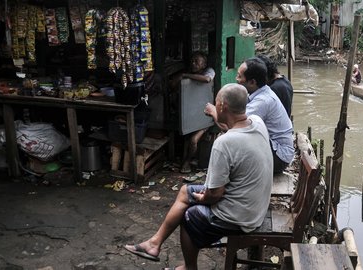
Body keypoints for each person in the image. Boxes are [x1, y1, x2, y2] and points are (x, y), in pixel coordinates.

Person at [124, 83, 273, 270]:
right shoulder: (257, 122)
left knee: (189, 216)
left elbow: (215, 194)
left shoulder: (224, 143)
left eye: (216, 102)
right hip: (255, 207)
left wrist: (204, 199)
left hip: (239, 217)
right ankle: (154, 244)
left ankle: (189, 267)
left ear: (222, 107)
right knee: (186, 191)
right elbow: (233, 129)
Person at [205, 57, 294, 174]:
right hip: (275, 150)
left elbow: (232, 128)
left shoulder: (263, 101)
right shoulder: (260, 92)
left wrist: (214, 112)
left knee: (234, 139)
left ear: (252, 82)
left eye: (239, 76)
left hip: (279, 157)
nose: (236, 79)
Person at [179, 51, 216, 173]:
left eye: (197, 62)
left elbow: (206, 79)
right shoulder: (189, 72)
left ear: (204, 64)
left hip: (205, 115)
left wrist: (187, 75)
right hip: (191, 113)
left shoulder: (209, 71)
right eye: (192, 61)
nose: (194, 64)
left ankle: (187, 162)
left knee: (194, 140)